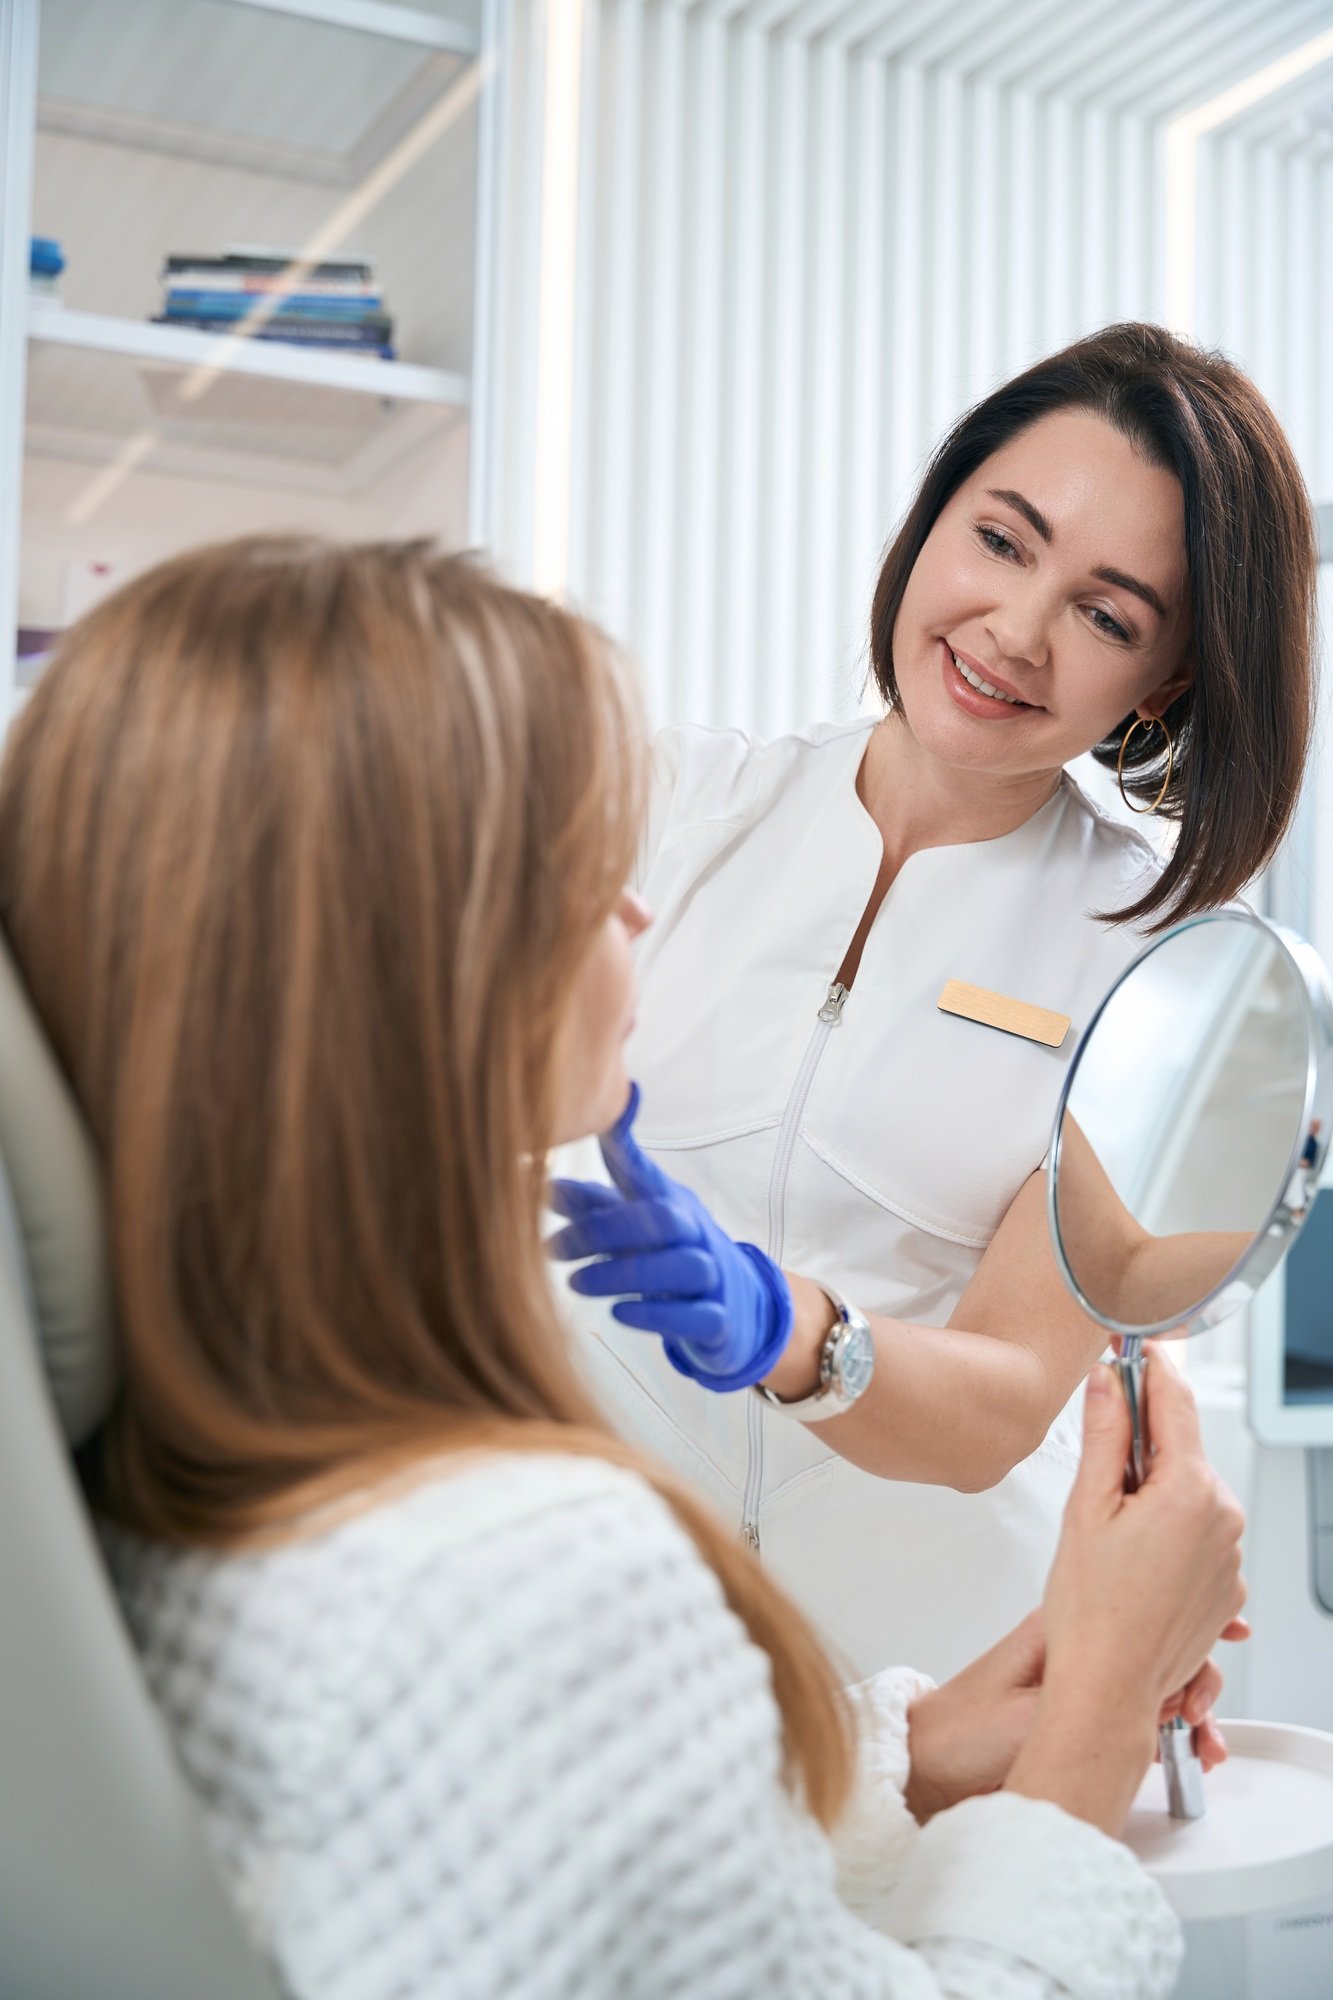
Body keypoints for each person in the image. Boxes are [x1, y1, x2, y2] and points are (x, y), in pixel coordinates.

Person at [0, 535, 1245, 2000]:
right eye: (587, 867)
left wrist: (912, 1751)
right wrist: (1100, 1704)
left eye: (1103, 612)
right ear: (401, 961)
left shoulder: (210, 1484)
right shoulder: (524, 1578)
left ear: (1162, 680)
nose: (638, 912)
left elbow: (546, 1848)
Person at [550, 322, 1318, 1681]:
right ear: (930, 521)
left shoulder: (1158, 970)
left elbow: (1004, 1400)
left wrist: (787, 1329)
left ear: (1166, 682)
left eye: (1105, 616)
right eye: (1001, 541)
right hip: (600, 1621)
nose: (1013, 633)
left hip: (927, 1674)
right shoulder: (663, 804)